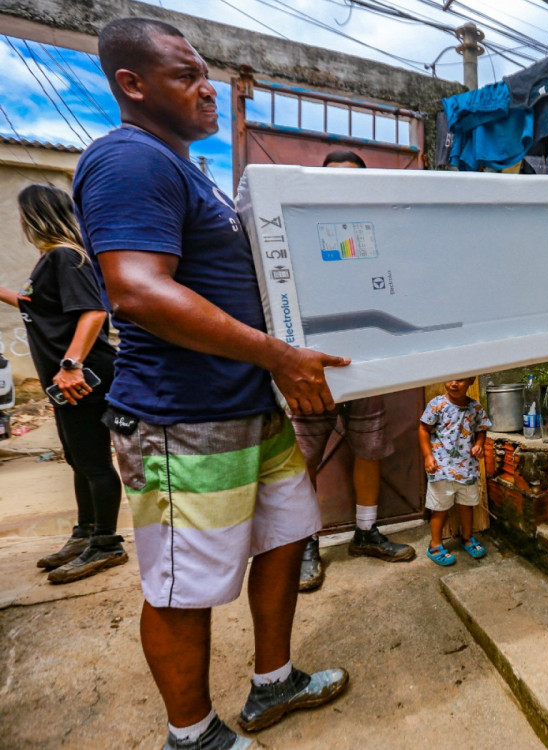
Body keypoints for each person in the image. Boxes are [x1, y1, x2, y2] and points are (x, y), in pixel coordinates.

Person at [74, 18, 348, 749]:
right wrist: (279, 356)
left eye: (206, 75)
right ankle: (191, 736)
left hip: (246, 408)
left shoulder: (184, 169)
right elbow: (136, 291)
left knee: (288, 535)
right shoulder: (128, 161)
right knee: (182, 588)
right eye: (185, 76)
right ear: (132, 85)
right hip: (181, 419)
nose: (208, 90)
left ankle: (273, 681)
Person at [292, 149, 415, 594]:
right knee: (301, 460)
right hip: (310, 366)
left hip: (365, 362)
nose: (341, 186)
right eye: (332, 178)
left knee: (370, 449)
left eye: (351, 178)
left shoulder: (375, 231)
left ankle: (365, 532)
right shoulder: (296, 229)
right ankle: (306, 544)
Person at [0, 184, 126, 584]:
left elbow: (92, 313)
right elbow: (37, 307)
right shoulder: (52, 260)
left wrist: (71, 364)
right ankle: (86, 533)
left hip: (81, 376)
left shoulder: (66, 257)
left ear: (35, 216)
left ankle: (107, 544)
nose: (20, 223)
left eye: (23, 215)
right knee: (78, 459)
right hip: (66, 380)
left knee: (93, 461)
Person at [418, 377, 491, 566]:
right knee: (439, 507)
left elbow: (481, 429)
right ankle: (435, 544)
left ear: (471, 381)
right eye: (449, 378)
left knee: (467, 505)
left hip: (467, 468)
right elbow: (423, 429)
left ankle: (467, 538)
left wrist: (479, 444)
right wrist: (428, 456)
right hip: (440, 467)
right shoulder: (437, 404)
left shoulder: (475, 407)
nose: (453, 383)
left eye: (460, 379)